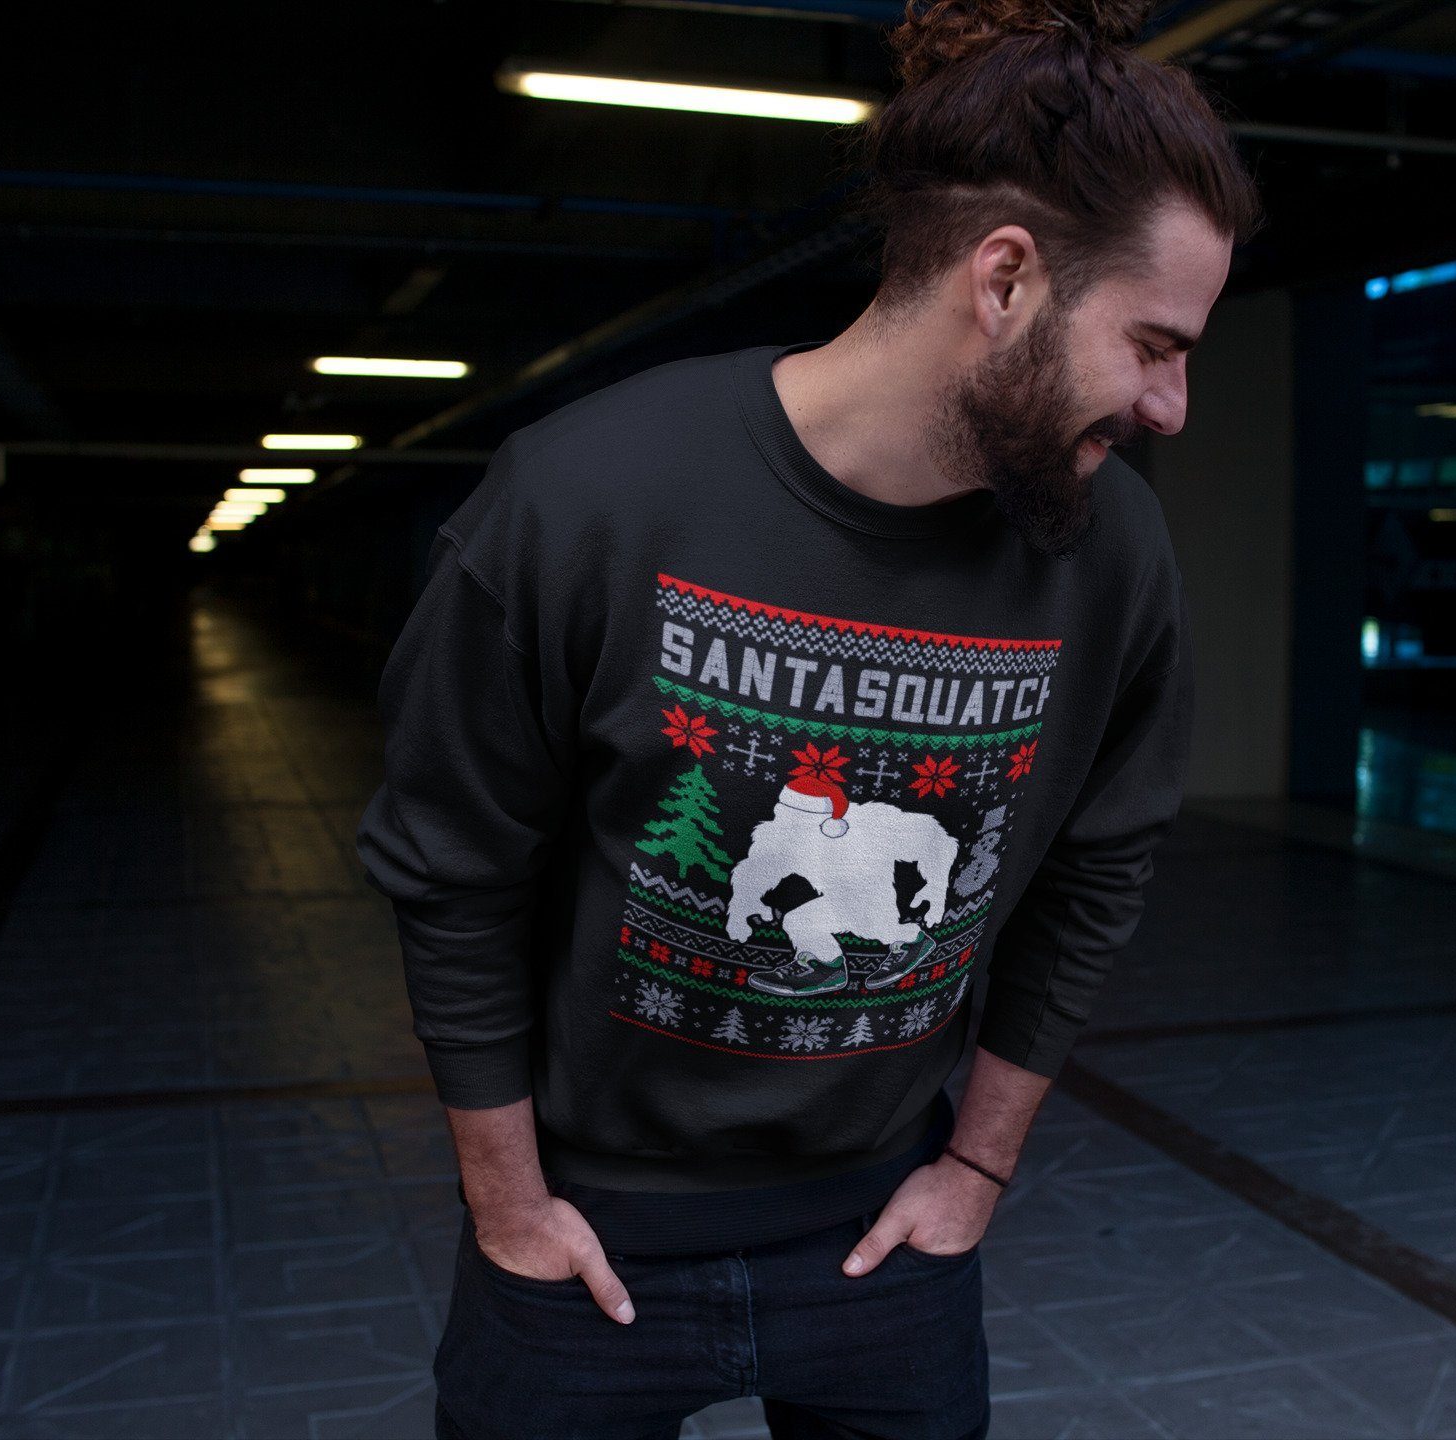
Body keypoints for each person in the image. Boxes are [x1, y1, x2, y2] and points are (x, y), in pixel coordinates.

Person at [355, 1, 1259, 1436]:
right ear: (1006, 278)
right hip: (584, 1240)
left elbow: (1096, 875)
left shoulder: (1113, 557)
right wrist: (509, 1205)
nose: (1173, 406)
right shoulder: (588, 499)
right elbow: (452, 871)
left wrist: (977, 1170)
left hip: (883, 1239)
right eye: (1155, 343)